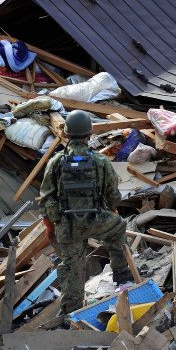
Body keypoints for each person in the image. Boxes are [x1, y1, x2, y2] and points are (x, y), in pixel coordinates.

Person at [39, 109, 132, 315]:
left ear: (66, 134)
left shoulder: (55, 162)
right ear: (89, 135)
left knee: (72, 268)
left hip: (67, 226)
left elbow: (46, 199)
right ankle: (122, 277)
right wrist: (111, 211)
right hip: (96, 219)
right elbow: (113, 195)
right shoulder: (100, 161)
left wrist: (51, 225)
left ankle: (71, 314)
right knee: (118, 227)